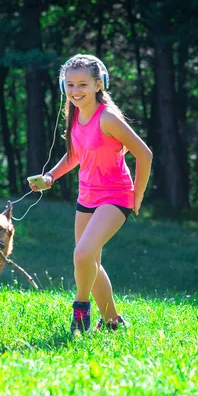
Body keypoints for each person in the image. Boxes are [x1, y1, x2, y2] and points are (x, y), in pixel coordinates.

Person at [28, 54, 153, 334]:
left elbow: (144, 154)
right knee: (90, 261)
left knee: (82, 254)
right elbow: (75, 155)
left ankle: (80, 310)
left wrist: (138, 195)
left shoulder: (107, 118)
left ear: (99, 85)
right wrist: (50, 177)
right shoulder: (74, 115)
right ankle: (113, 322)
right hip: (87, 197)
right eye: (69, 85)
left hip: (116, 197)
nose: (75, 91)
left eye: (82, 84)